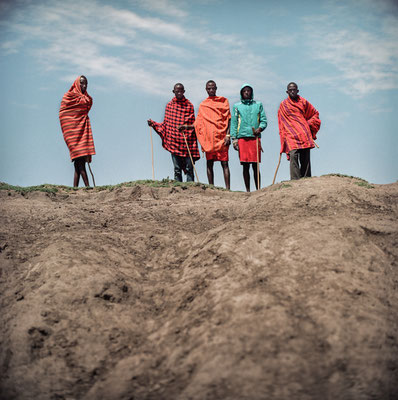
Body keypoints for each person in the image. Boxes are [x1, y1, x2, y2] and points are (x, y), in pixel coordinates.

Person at [180, 80, 231, 189]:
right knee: (209, 163)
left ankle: (228, 188)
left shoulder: (223, 101)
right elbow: (198, 123)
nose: (211, 90)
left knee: (225, 164)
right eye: (209, 88)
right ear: (206, 89)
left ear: (216, 88)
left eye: (213, 88)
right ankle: (211, 187)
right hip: (209, 140)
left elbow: (229, 119)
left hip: (221, 138)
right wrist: (186, 127)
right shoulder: (203, 105)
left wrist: (228, 135)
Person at [147, 83, 200, 182]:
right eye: (177, 91)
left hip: (188, 141)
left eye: (181, 91)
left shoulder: (189, 106)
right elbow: (166, 125)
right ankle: (178, 188)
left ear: (184, 91)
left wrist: (185, 127)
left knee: (189, 168)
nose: (179, 93)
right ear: (173, 92)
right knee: (177, 169)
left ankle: (191, 188)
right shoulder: (170, 106)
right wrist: (153, 124)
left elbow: (194, 124)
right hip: (174, 142)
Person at [277, 82, 321, 180]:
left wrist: (308, 124)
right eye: (290, 90)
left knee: (305, 157)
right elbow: (281, 123)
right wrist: (283, 138)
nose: (292, 91)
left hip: (303, 134)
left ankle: (306, 178)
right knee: (293, 155)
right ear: (287, 92)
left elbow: (315, 113)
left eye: (294, 90)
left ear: (297, 91)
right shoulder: (283, 105)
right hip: (291, 135)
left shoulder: (303, 102)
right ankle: (295, 181)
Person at [59, 75, 95, 187]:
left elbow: (88, 103)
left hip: (82, 132)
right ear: (77, 84)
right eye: (82, 83)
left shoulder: (85, 97)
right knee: (80, 161)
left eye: (86, 84)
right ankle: (88, 186)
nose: (84, 86)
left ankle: (74, 188)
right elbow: (63, 114)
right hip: (72, 134)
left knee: (78, 163)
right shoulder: (68, 97)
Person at [230, 84, 267, 192]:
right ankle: (248, 190)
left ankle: (258, 189)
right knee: (245, 165)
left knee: (255, 165)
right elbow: (234, 122)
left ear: (252, 92)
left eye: (248, 91)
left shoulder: (258, 105)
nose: (247, 92)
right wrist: (234, 139)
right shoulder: (237, 106)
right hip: (242, 138)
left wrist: (259, 129)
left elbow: (263, 120)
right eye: (244, 91)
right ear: (241, 93)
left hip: (254, 138)